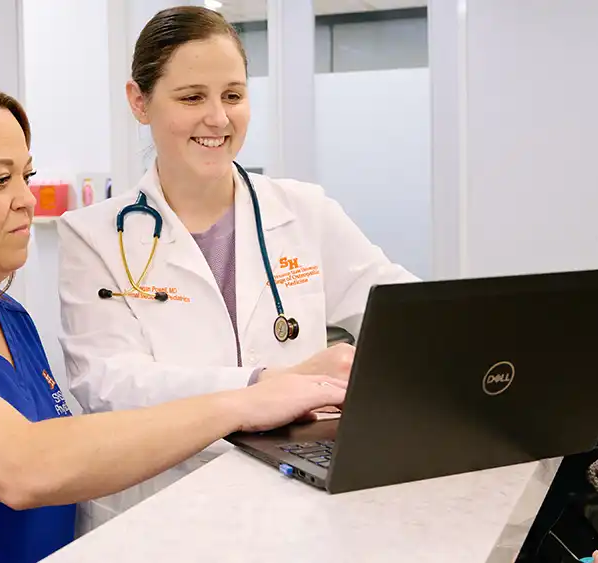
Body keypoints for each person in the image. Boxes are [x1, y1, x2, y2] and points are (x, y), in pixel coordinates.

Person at [0, 75, 346, 563]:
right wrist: (244, 402)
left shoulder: (8, 317)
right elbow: (24, 465)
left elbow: (73, 455)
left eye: (25, 177)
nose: (26, 200)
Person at [57, 6, 419, 533]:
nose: (218, 118)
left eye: (232, 95)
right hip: (159, 511)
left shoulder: (304, 211)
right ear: (139, 101)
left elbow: (405, 316)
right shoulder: (93, 236)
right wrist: (261, 387)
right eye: (191, 97)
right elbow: (109, 384)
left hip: (293, 500)